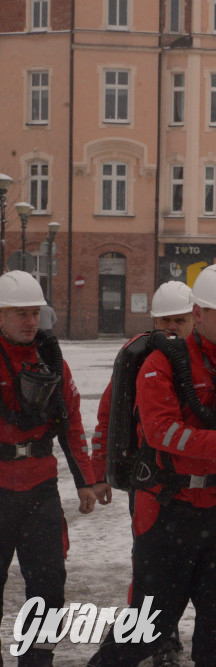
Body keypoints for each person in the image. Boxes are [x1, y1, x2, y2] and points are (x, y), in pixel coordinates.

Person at [88, 263, 216, 667]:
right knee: (146, 631)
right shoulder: (161, 363)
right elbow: (161, 433)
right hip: (166, 509)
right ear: (199, 314)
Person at [88, 280, 195, 667]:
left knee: (188, 565)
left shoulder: (202, 358)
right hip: (148, 480)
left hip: (192, 482)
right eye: (166, 320)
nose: (173, 327)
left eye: (180, 320)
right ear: (154, 320)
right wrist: (101, 471)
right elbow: (108, 416)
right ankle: (154, 634)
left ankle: (161, 629)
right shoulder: (136, 359)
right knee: (148, 564)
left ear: (194, 318)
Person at [0, 270, 96, 666]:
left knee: (49, 587)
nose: (29, 322)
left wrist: (86, 481)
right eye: (19, 313)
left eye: (34, 313)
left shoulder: (51, 359)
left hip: (40, 489)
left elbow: (71, 422)